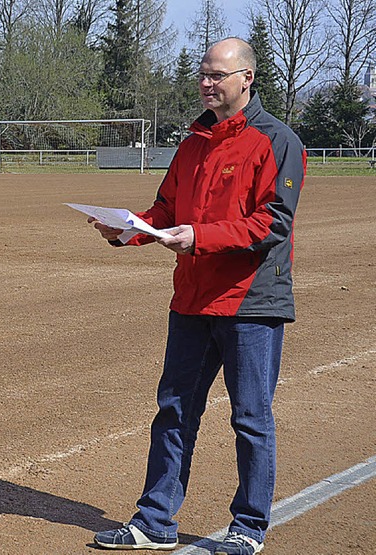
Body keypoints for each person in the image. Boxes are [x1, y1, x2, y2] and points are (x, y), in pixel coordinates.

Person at [90, 38, 306, 555]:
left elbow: (273, 222)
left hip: (250, 301)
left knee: (250, 417)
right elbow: (167, 209)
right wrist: (128, 231)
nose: (207, 83)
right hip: (190, 300)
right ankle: (155, 520)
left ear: (246, 79)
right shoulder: (192, 143)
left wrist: (200, 238)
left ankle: (249, 527)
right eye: (203, 75)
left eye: (218, 75)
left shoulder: (277, 141)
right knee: (174, 411)